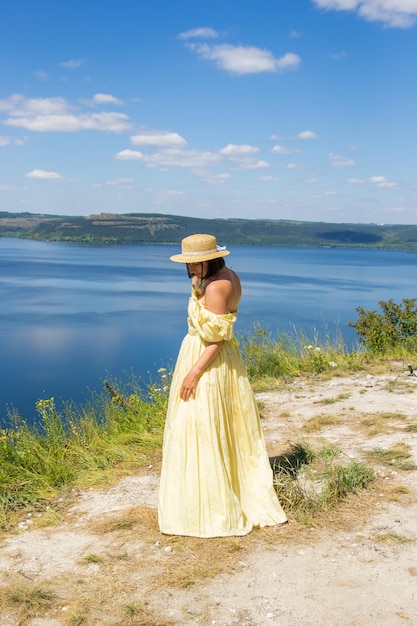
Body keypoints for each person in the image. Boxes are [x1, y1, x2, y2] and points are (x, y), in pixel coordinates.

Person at [158, 234, 287, 537]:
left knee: (197, 426)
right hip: (210, 356)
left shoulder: (216, 286)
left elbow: (217, 338)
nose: (189, 269)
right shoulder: (225, 276)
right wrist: (196, 285)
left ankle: (207, 501)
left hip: (206, 361)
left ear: (208, 260)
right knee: (213, 425)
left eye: (193, 264)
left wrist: (194, 374)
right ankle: (212, 485)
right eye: (188, 264)